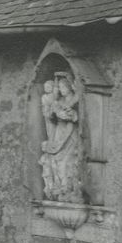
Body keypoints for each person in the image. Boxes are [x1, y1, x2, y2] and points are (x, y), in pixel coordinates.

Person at [39, 72, 83, 202]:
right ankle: (58, 188)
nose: (63, 91)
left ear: (70, 87)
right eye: (61, 88)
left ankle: (68, 189)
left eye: (65, 87)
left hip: (70, 134)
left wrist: (72, 114)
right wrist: (54, 112)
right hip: (59, 132)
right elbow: (51, 117)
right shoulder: (58, 101)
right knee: (56, 160)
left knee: (68, 161)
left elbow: (79, 117)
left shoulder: (75, 100)